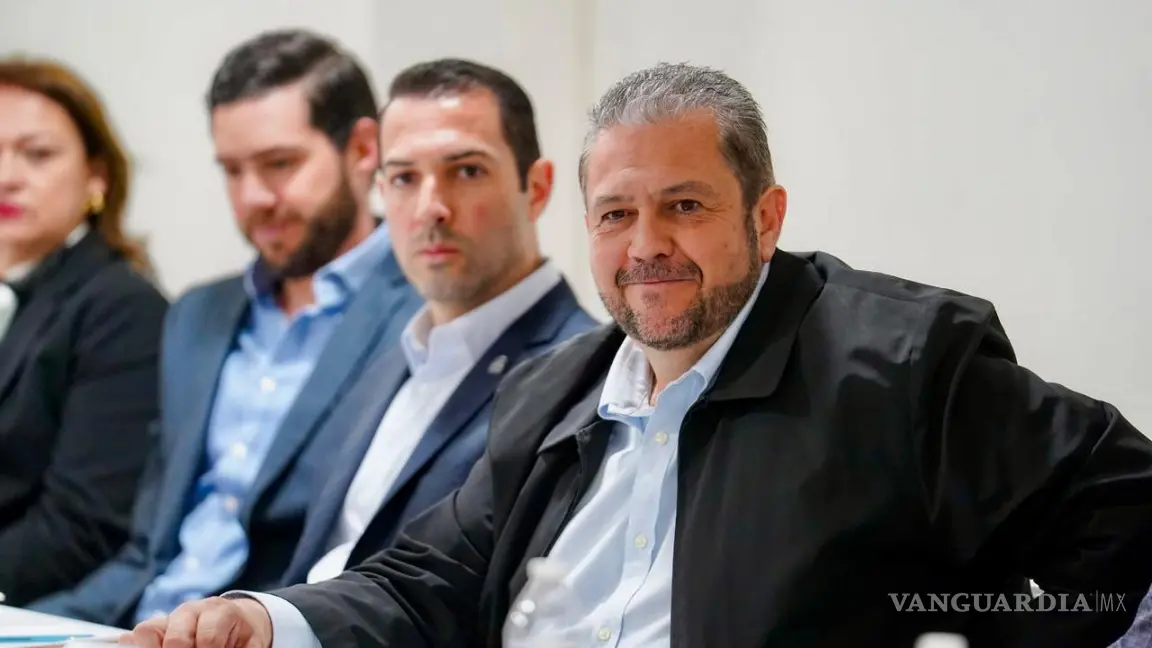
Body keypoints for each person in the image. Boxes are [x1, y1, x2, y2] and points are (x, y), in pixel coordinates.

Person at [125, 63, 1152, 648]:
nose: (646, 245)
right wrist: (264, 620)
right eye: (616, 213)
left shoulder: (899, 361)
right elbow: (424, 583)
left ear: (765, 217)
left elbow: (1126, 517)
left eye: (685, 205)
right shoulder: (554, 390)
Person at [28, 30, 419, 625]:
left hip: (276, 625)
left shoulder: (422, 312)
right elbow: (147, 550)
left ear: (364, 148)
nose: (253, 196)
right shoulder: (197, 316)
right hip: (138, 622)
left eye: (280, 164)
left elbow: (395, 565)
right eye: (233, 171)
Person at [276, 58, 597, 587]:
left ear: (537, 188)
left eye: (466, 171)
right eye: (404, 178)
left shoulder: (580, 376)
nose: (431, 208)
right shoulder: (388, 355)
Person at [0, 58, 167, 607]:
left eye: (37, 154)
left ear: (97, 177)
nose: (7, 176)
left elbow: (81, 528)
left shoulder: (121, 307)